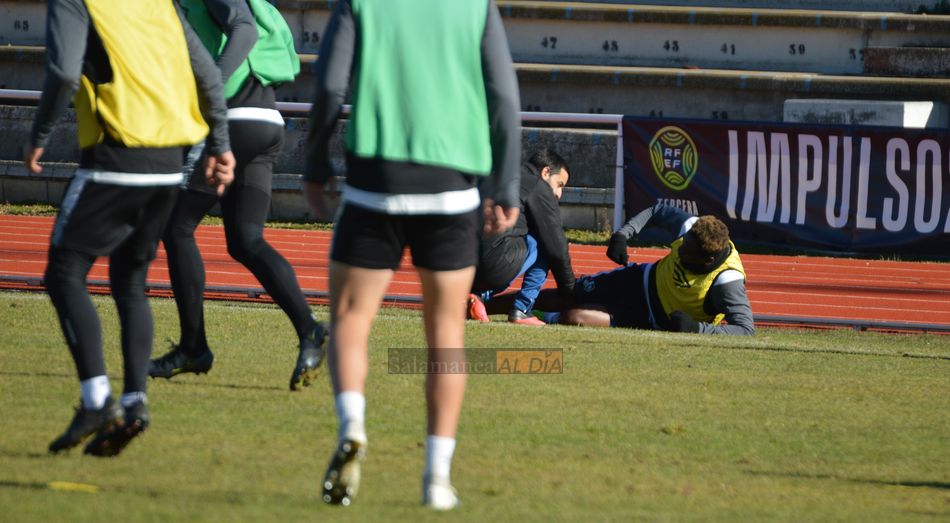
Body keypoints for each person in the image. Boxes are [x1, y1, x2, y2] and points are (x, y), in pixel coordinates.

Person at [304, 0, 520, 510]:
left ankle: (353, 425)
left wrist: (315, 160)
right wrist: (505, 183)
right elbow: (505, 98)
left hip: (374, 183)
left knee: (352, 318)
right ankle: (436, 477)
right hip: (451, 187)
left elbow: (331, 84)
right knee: (446, 331)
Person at [26, 0, 234, 456]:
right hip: (167, 166)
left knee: (64, 273)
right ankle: (135, 400)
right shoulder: (160, 4)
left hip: (114, 158)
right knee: (131, 282)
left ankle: (97, 399)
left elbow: (62, 72)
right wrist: (220, 143)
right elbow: (209, 74)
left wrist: (38, 135)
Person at [149, 0, 328, 391]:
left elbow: (243, 29)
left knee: (176, 226)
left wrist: (213, 86)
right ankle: (310, 330)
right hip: (264, 122)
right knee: (246, 241)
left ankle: (194, 346)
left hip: (235, 120)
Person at [495, 203, 755, 335]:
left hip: (650, 319)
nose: (679, 252)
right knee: (568, 292)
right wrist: (623, 234)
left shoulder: (727, 280)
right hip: (638, 279)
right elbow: (657, 210)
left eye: (686, 256)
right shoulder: (692, 228)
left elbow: (745, 330)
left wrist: (695, 328)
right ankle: (484, 307)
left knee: (572, 317)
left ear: (706, 261)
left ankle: (542, 317)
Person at [468, 148, 576, 326]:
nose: (558, 194)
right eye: (559, 184)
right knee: (544, 241)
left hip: (461, 265)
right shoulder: (537, 185)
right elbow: (556, 247)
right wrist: (570, 291)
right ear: (546, 172)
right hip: (493, 266)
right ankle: (522, 309)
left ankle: (475, 295)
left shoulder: (495, 174)